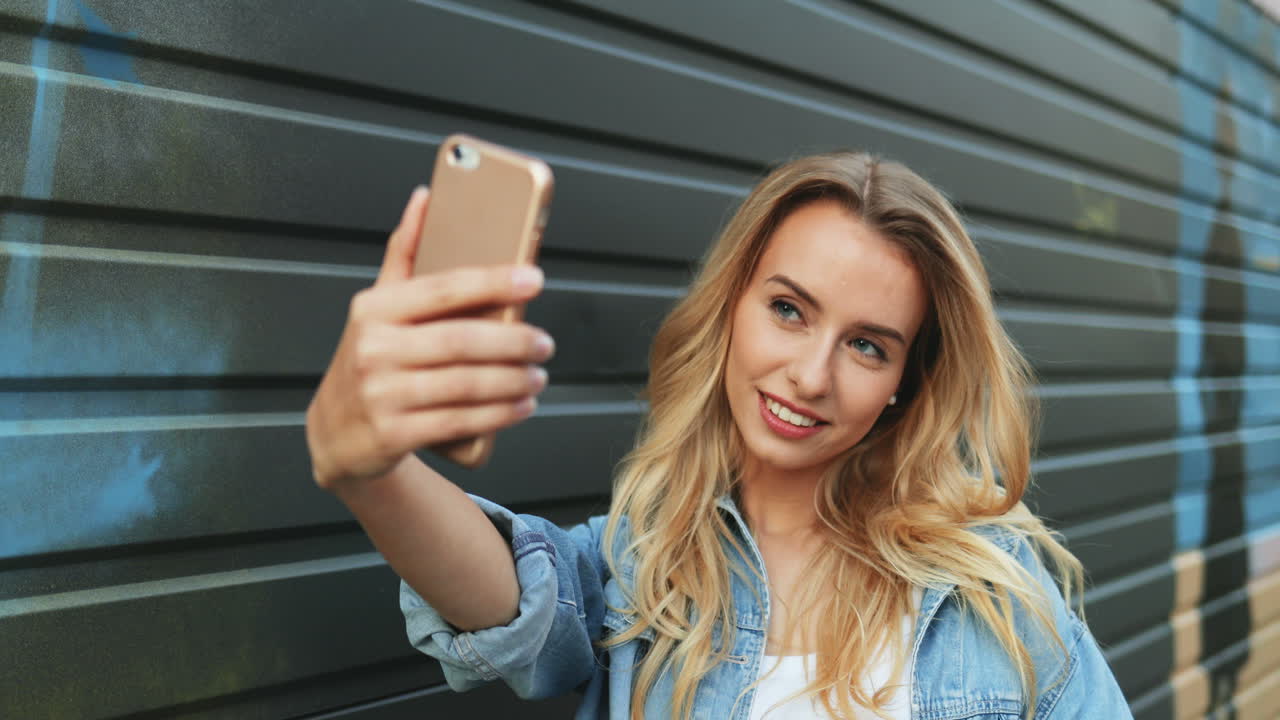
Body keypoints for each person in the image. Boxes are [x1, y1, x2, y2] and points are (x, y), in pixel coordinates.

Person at [305, 152, 1134, 719]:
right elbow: (512, 600)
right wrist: (368, 472)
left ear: (903, 385)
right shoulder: (643, 565)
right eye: (788, 309)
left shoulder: (990, 588)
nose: (812, 374)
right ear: (732, 307)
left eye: (867, 345)